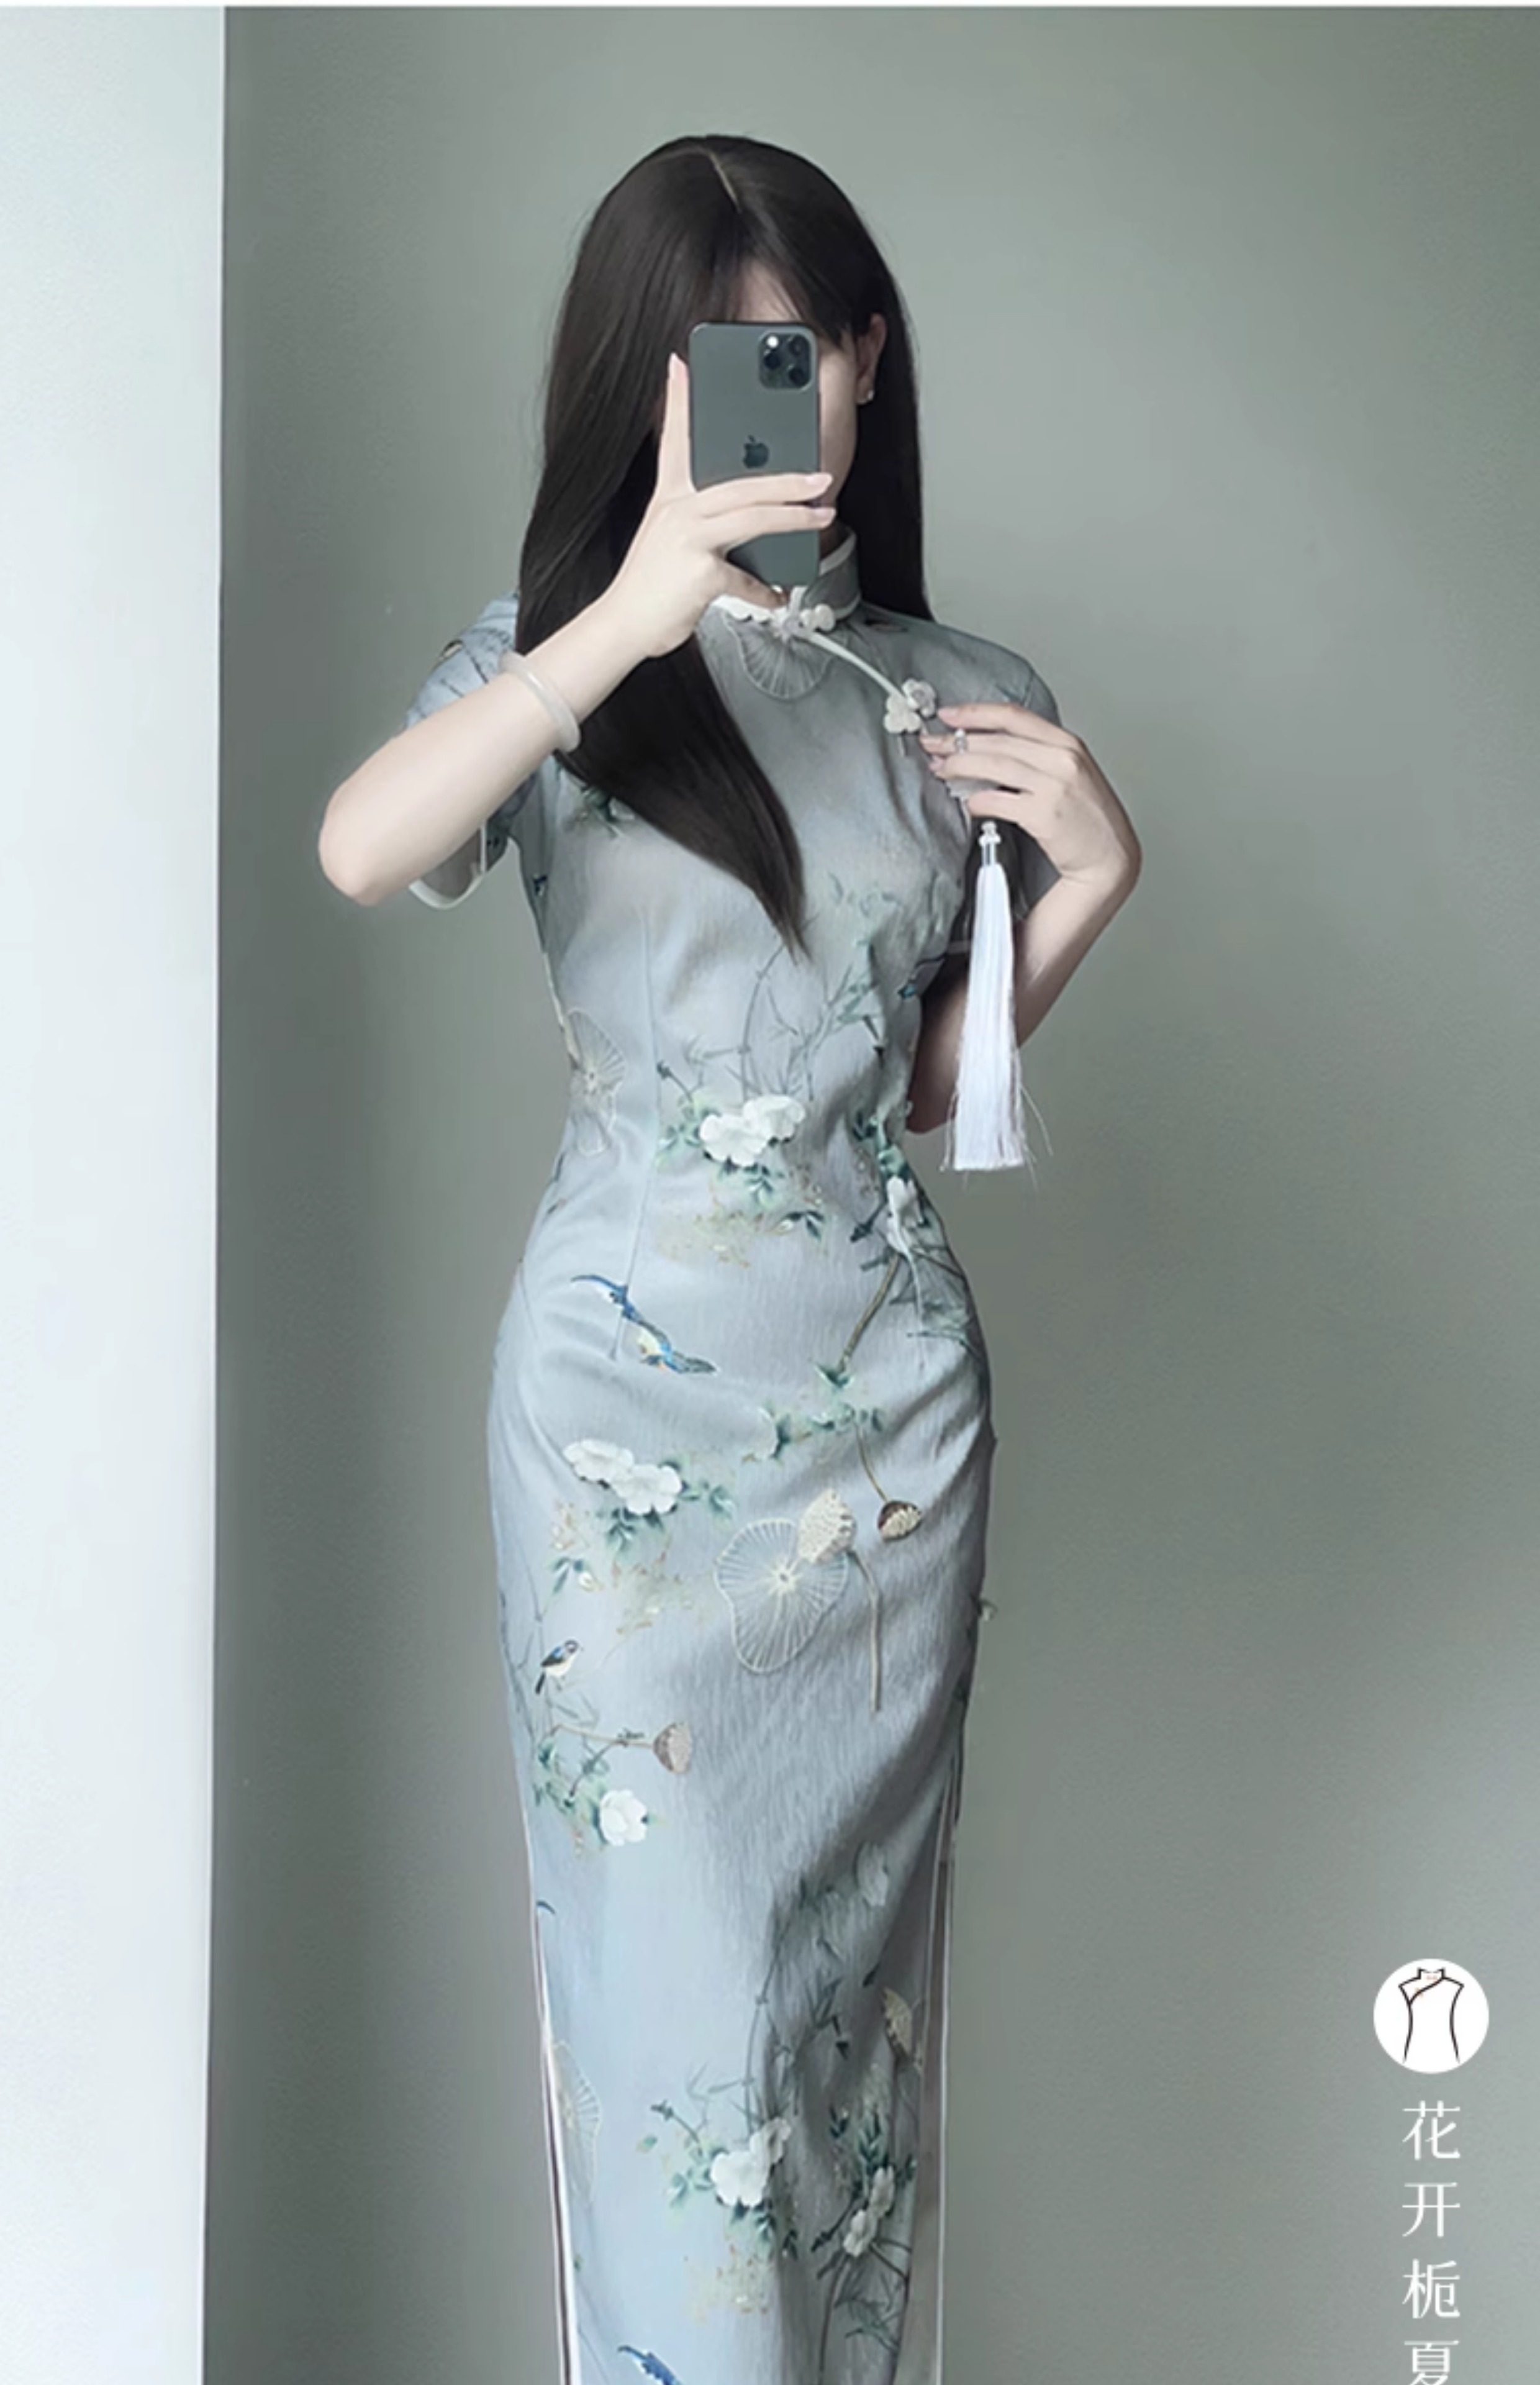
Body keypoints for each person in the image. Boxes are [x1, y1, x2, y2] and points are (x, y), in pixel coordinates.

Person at [320, 132, 1139, 2385]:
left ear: (869, 360)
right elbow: (364, 847)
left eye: (810, 349)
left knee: (839, 2041)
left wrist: (1086, 879)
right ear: (646, 390)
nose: (782, 395)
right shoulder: (559, 667)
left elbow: (919, 1092)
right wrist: (626, 617)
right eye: (719, 363)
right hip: (623, 1434)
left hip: (884, 1435)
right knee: (671, 2033)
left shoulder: (951, 691)